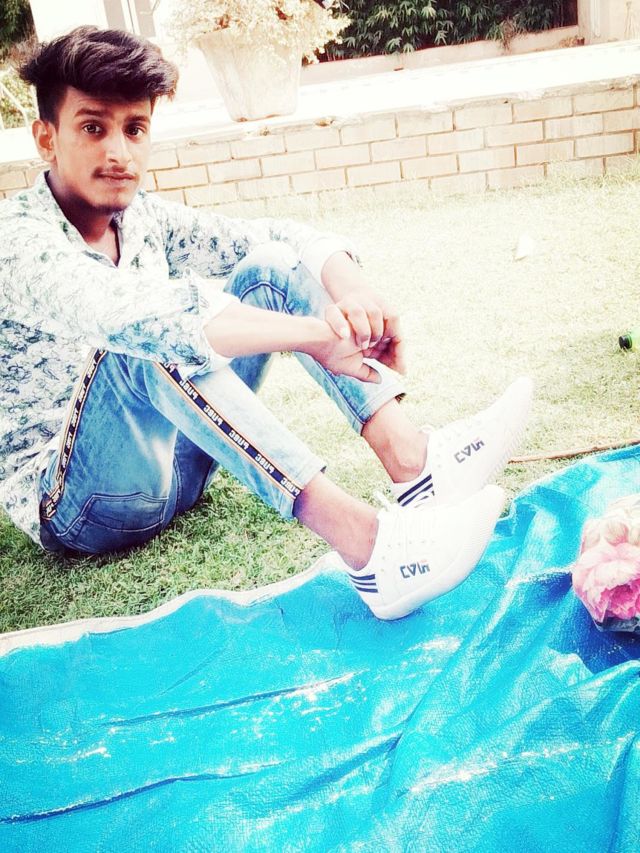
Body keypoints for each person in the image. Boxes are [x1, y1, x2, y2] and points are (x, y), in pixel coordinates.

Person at [0, 26, 532, 621]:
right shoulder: (16, 240)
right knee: (147, 343)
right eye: (93, 128)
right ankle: (374, 552)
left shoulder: (141, 218)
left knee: (268, 266)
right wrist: (318, 337)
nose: (119, 153)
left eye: (135, 129)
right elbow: (137, 319)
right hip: (80, 504)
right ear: (46, 138)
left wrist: (354, 289)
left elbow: (276, 237)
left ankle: (417, 465)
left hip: (180, 469)